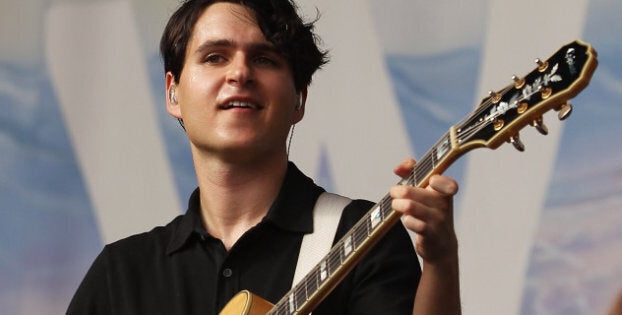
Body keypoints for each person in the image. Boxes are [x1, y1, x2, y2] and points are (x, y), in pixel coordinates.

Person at [66, 0, 460, 314]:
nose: (240, 73)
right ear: (173, 93)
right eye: (215, 57)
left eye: (265, 59)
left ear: (299, 99)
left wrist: (440, 261)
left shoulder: (363, 237)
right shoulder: (121, 274)